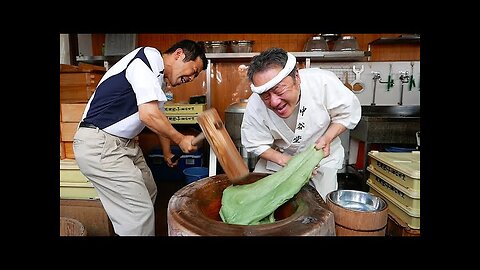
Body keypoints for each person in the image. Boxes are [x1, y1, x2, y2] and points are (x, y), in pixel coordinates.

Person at [73, 40, 208, 236]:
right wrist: (179, 139)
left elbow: (159, 118)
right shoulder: (148, 57)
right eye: (194, 70)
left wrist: (167, 151)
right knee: (138, 212)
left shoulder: (158, 81)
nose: (192, 78)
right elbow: (148, 115)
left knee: (149, 189)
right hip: (100, 143)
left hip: (123, 145)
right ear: (178, 54)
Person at [241, 47, 361, 200]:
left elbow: (348, 112)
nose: (274, 101)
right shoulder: (255, 104)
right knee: (258, 200)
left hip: (322, 158)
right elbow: (255, 142)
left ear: (296, 77)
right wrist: (286, 161)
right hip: (281, 158)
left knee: (320, 207)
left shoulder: (322, 82)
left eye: (279, 90)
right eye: (265, 96)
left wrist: (328, 138)